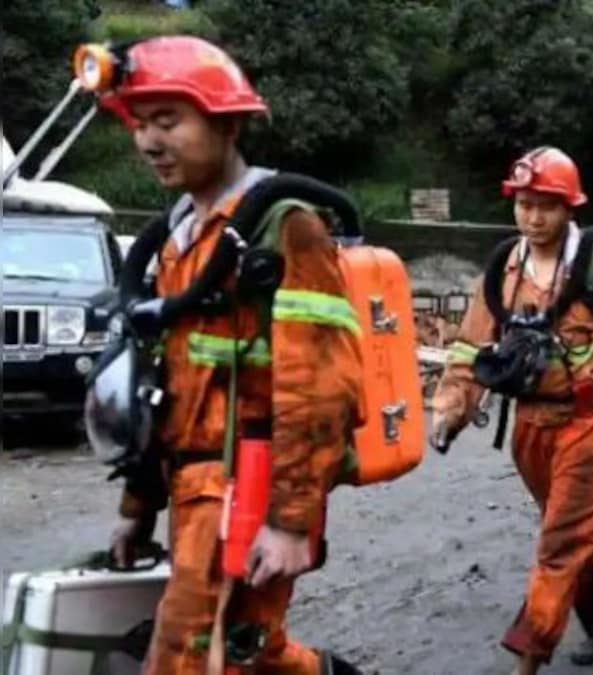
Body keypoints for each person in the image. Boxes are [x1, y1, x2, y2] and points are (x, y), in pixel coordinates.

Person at [91, 36, 363, 673]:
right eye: (139, 123)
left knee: (184, 657)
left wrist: (293, 520)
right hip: (193, 485)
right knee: (250, 650)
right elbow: (160, 389)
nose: (149, 141)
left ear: (228, 122)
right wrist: (139, 507)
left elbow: (319, 388)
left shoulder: (285, 227)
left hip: (250, 483)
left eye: (168, 120)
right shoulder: (176, 238)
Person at [430, 147, 593, 674]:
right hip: (529, 428)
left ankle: (529, 654)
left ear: (570, 207)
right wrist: (452, 406)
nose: (533, 217)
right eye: (523, 204)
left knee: (560, 540)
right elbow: (472, 346)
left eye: (545, 205)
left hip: (587, 425)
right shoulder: (504, 270)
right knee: (571, 530)